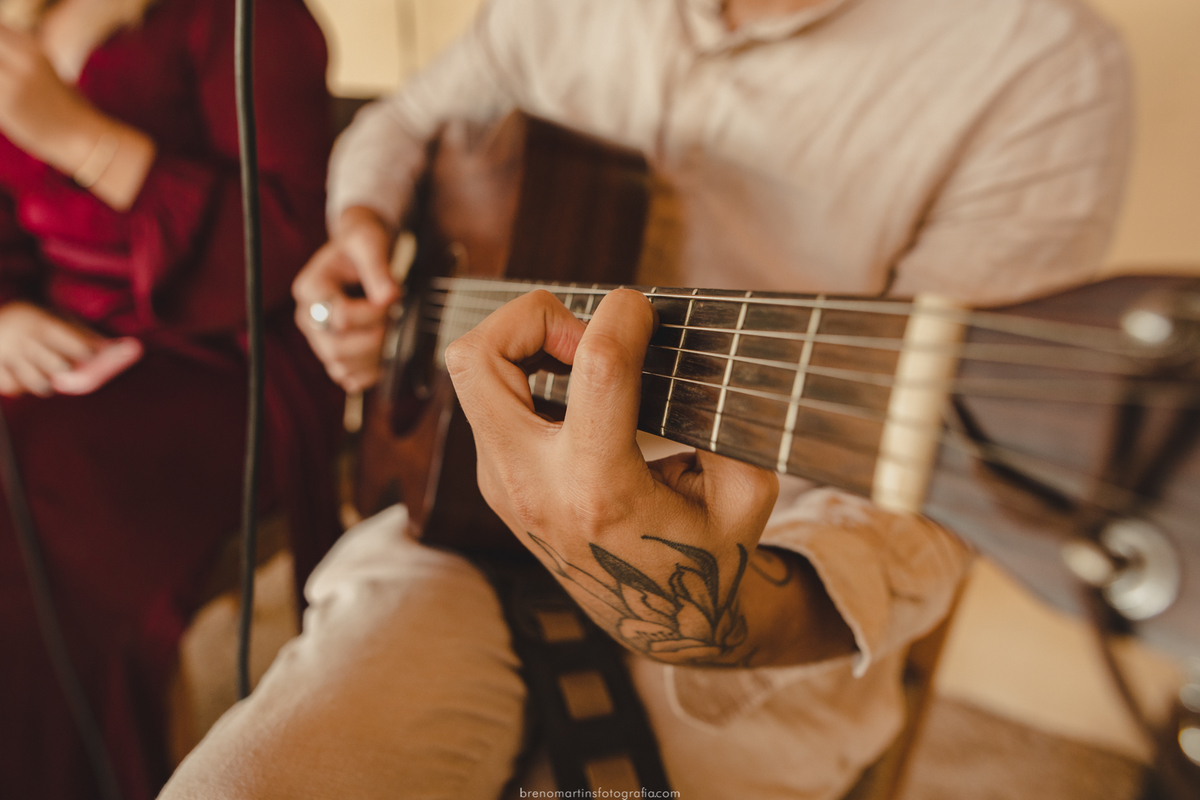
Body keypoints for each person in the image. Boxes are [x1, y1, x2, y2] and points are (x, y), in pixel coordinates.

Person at [161, 0, 1132, 797]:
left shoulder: (1037, 61)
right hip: (459, 516)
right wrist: (361, 232)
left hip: (760, 589)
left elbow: (929, 495)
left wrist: (711, 607)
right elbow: (399, 122)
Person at [0, 0, 343, 798]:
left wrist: (76, 137)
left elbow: (283, 246)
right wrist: (6, 313)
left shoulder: (246, 20)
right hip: (60, 349)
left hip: (226, 363)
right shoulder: (27, 23)